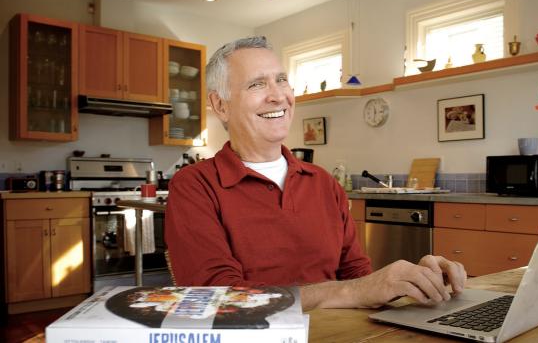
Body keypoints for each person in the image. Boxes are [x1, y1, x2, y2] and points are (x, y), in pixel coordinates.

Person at [165, 36, 467, 310]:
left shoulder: (323, 182)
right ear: (220, 105)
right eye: (257, 84)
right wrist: (351, 292)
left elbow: (357, 277)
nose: (278, 95)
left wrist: (414, 283)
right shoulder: (194, 185)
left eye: (281, 80)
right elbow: (219, 300)